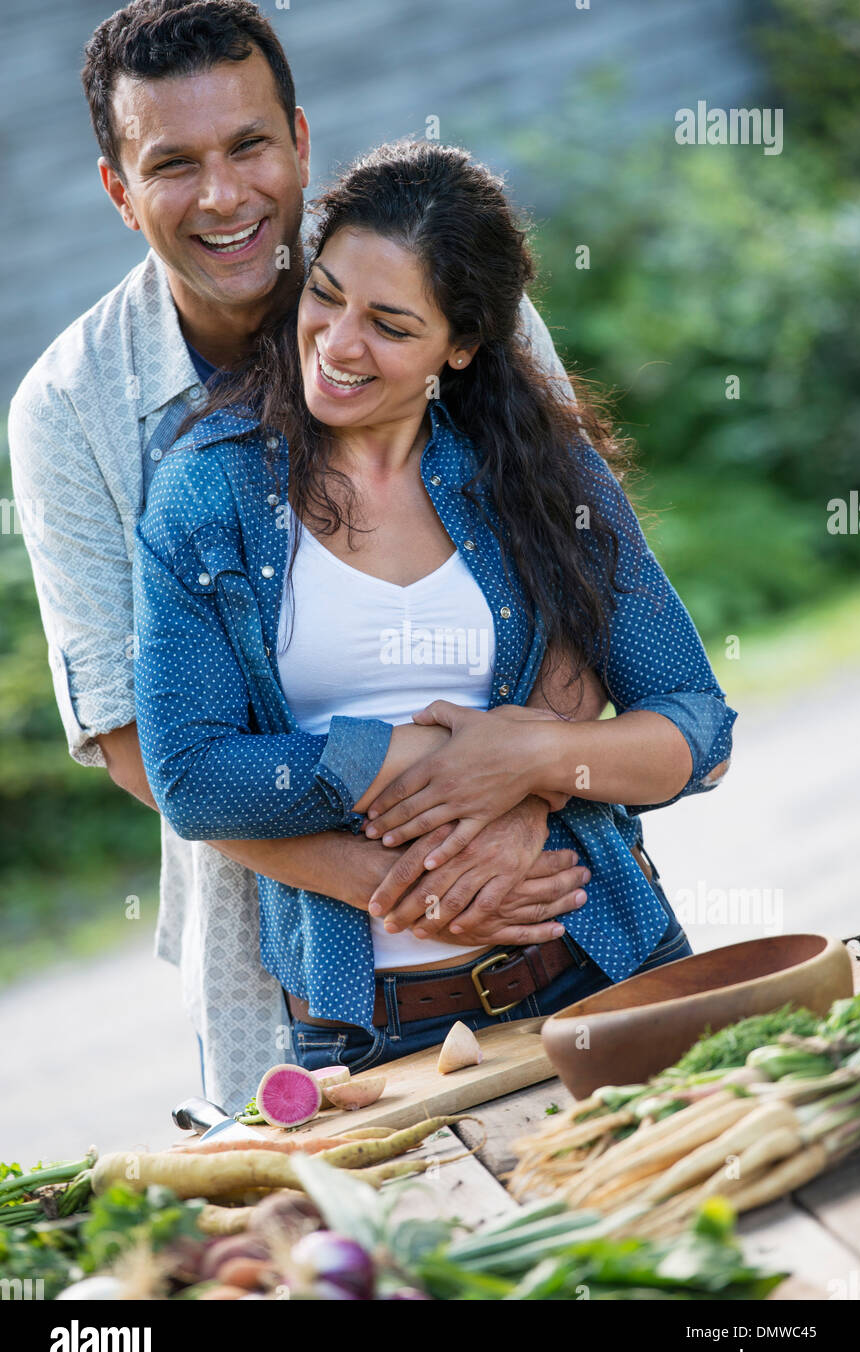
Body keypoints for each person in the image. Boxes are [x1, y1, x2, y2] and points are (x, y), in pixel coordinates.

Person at [8, 0, 597, 1112]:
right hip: (281, 973)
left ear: (302, 142)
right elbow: (139, 741)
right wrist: (402, 887)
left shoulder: (451, 288)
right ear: (117, 190)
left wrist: (519, 799)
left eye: (248, 145)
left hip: (547, 895)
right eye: (172, 163)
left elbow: (579, 578)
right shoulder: (70, 409)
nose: (224, 195)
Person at [133, 139, 736, 1076]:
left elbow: (697, 731)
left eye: (389, 323)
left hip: (602, 961)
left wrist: (525, 758)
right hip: (371, 1031)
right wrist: (403, 757)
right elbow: (193, 779)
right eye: (325, 294)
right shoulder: (205, 498)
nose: (336, 344)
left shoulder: (538, 474)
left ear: (459, 346)